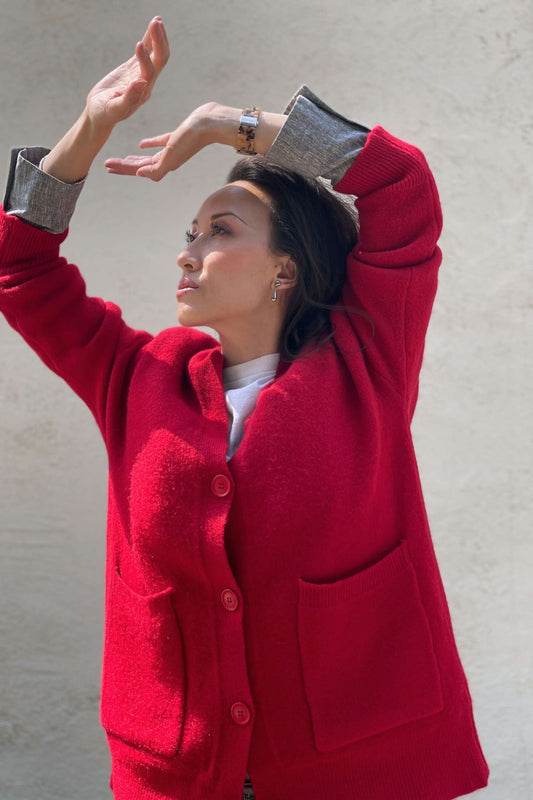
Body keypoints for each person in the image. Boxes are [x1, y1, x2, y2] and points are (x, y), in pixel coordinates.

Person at [0, 17, 490, 800]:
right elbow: (17, 267)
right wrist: (92, 126)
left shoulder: (365, 366)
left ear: (285, 268)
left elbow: (400, 186)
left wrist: (225, 125)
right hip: (179, 776)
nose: (187, 250)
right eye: (190, 231)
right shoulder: (134, 376)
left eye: (220, 230)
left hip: (357, 770)